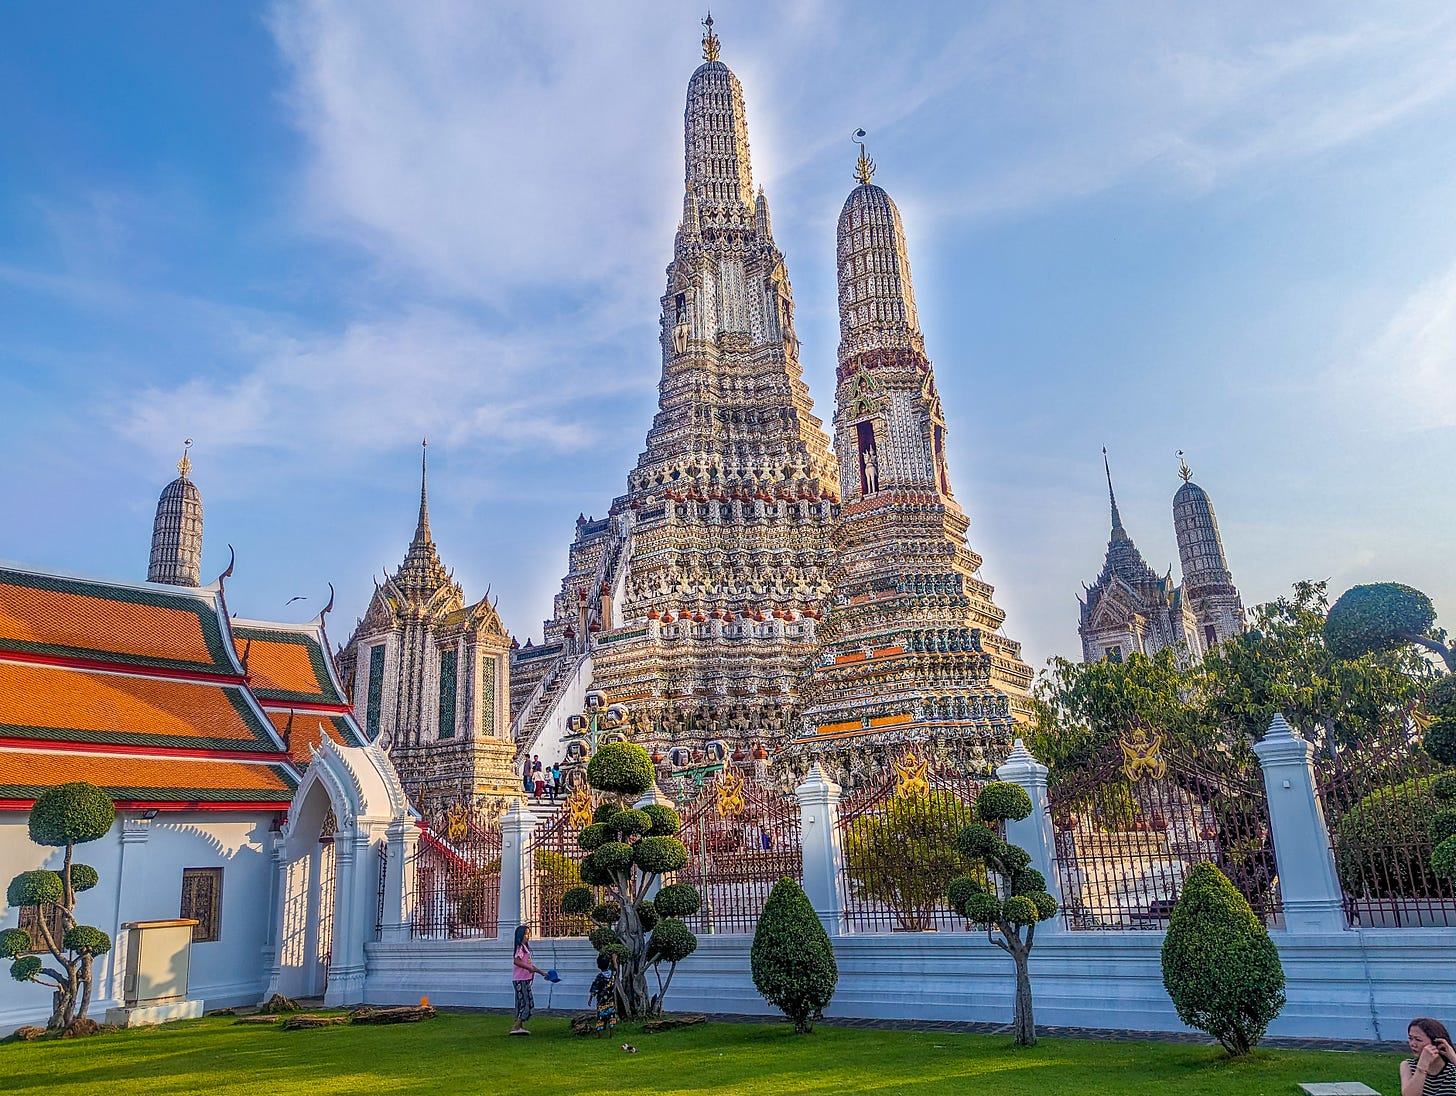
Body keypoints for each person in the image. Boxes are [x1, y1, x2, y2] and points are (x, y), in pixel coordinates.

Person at [509, 924, 548, 1035]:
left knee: (522, 1002)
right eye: (526, 934)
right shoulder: (519, 948)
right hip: (520, 980)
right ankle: (516, 1026)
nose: (527, 936)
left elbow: (530, 966)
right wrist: (529, 968)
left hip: (524, 980)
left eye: (528, 934)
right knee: (526, 1003)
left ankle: (519, 1026)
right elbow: (516, 961)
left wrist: (542, 973)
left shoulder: (525, 949)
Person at [1402, 1017, 1456, 1095]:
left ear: (1436, 1042)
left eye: (1418, 1040)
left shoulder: (1452, 1068)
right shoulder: (1408, 1066)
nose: (1412, 1044)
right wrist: (1422, 1067)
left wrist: (1454, 1058)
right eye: (1410, 1039)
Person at [587, 952, 618, 1038]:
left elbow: (595, 989)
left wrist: (590, 998)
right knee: (611, 1017)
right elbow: (616, 969)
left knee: (600, 1018)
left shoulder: (599, 977)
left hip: (601, 1002)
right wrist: (614, 960)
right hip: (611, 1000)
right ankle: (611, 1035)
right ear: (609, 964)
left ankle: (599, 1035)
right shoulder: (612, 975)